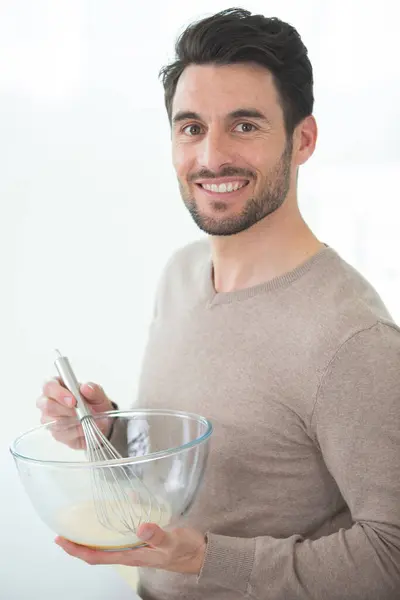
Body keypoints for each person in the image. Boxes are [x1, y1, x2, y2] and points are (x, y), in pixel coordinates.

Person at [36, 7, 400, 600]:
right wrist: (108, 434)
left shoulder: (353, 340)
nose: (211, 158)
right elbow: (213, 476)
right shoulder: (182, 273)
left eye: (245, 126)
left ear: (302, 139)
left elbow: (392, 557)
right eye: (191, 128)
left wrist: (208, 559)